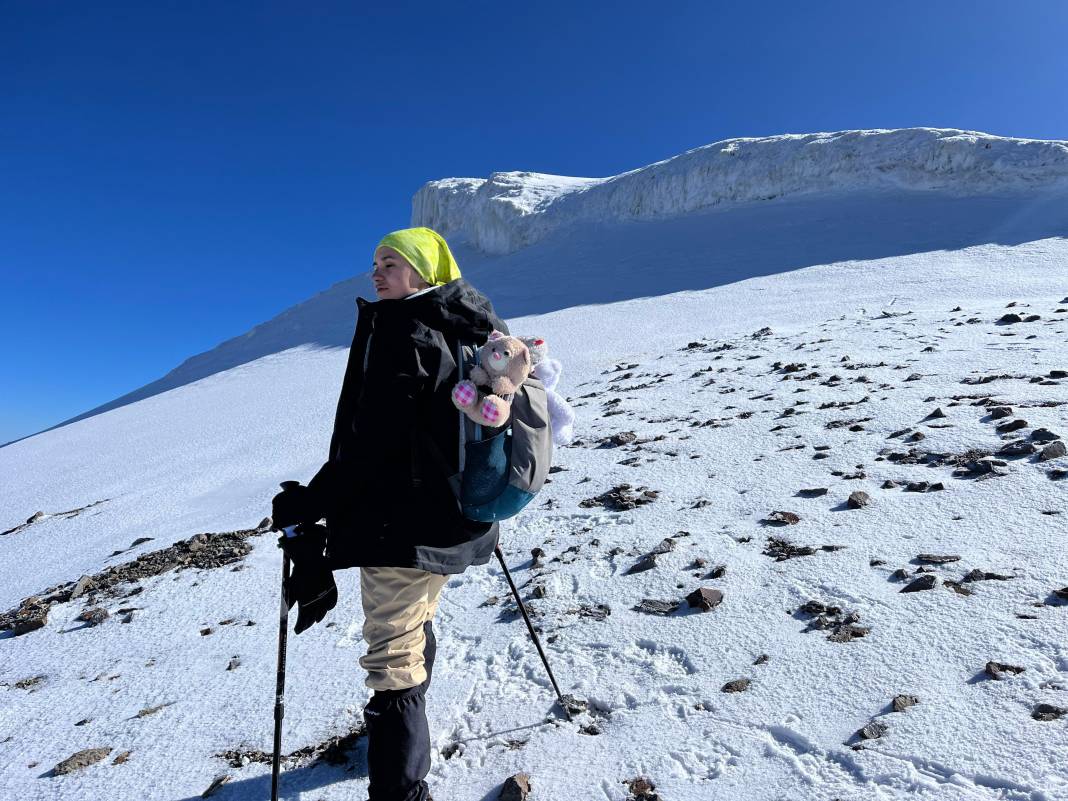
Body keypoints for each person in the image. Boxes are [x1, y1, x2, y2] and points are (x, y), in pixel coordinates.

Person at [270, 226, 509, 801]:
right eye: (375, 262)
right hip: (453, 518)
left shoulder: (407, 331)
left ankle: (401, 791)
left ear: (424, 274)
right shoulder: (463, 326)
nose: (377, 272)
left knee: (391, 658)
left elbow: (372, 444)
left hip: (402, 525)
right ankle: (406, 745)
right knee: (414, 624)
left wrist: (311, 503)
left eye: (392, 263)